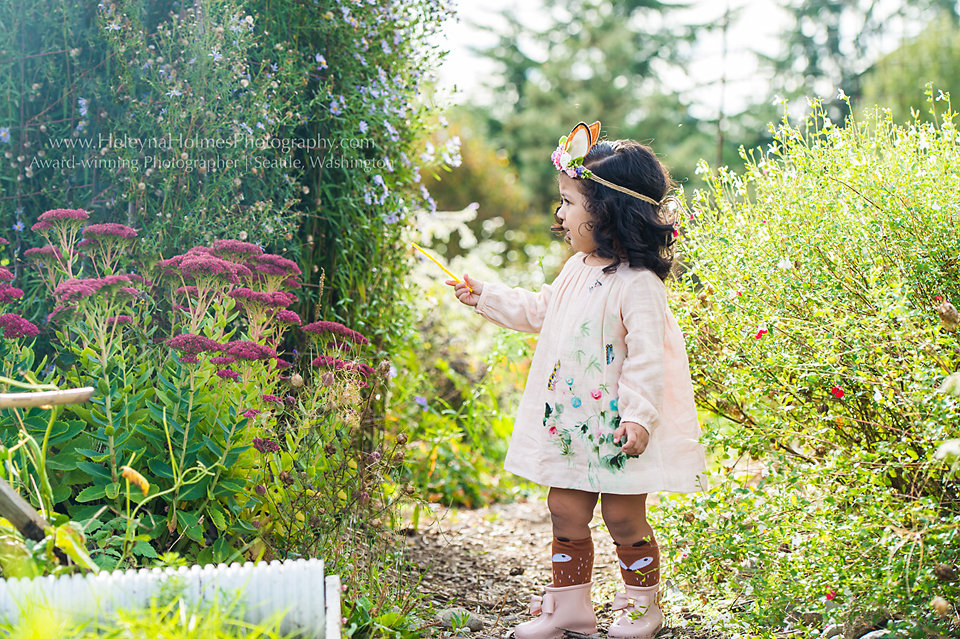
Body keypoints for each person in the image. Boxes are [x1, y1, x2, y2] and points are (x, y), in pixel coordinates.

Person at [446, 121, 707, 639]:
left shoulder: (639, 285)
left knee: (623, 519)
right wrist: (488, 296)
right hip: (570, 424)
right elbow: (542, 310)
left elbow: (648, 359)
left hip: (617, 432)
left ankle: (641, 607)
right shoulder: (576, 269)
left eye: (569, 201)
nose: (560, 213)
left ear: (608, 210)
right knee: (563, 511)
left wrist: (638, 416)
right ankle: (570, 607)